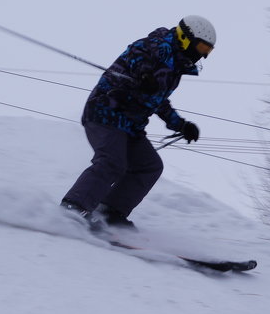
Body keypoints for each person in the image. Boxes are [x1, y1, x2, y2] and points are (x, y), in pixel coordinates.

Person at [60, 16, 215, 228]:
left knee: (149, 166)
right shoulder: (156, 46)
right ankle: (72, 208)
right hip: (106, 112)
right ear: (185, 38)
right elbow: (138, 57)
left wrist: (181, 124)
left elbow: (159, 101)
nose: (203, 55)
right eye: (202, 46)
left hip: (130, 126)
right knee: (112, 162)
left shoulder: (175, 68)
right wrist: (143, 76)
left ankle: (110, 212)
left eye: (208, 50)